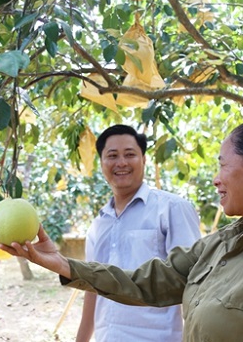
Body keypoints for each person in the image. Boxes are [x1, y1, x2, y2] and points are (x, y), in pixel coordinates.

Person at [1, 118, 243, 342]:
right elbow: (148, 282)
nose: (215, 178)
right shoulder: (222, 244)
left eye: (222, 165)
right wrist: (62, 265)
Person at [76, 124, 201, 342]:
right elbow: (92, 288)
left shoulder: (171, 209)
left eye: (130, 154)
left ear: (143, 160)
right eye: (112, 155)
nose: (121, 162)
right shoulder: (99, 224)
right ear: (102, 163)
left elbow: (194, 283)